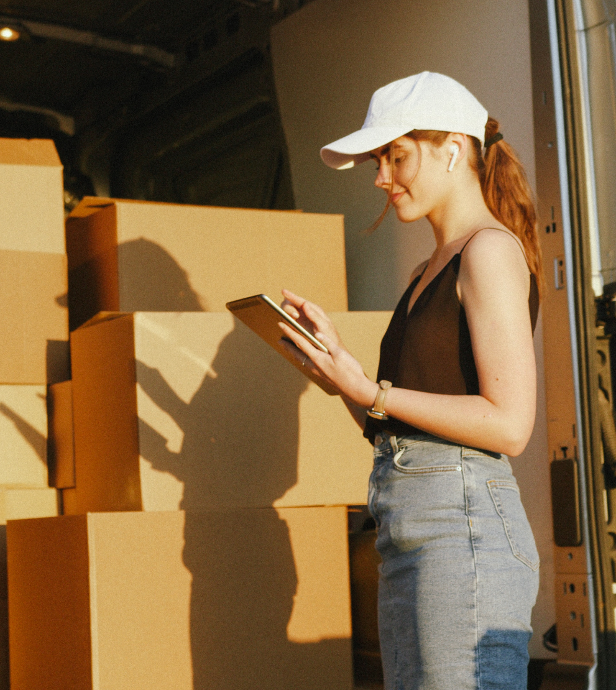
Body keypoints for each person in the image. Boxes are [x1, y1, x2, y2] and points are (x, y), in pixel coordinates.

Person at [279, 71, 541, 690]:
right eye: (379, 160)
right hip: (410, 527)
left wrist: (370, 390)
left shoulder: (489, 252)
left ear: (453, 149)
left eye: (396, 156)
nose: (380, 178)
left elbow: (511, 424)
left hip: (462, 526)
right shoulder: (429, 268)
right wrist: (340, 370)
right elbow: (392, 428)